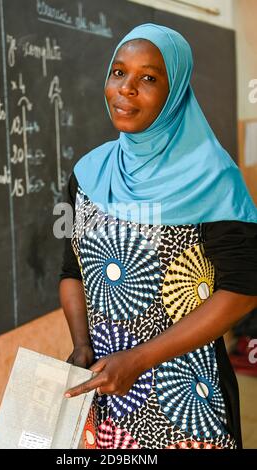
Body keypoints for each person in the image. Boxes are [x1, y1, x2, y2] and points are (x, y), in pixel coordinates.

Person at [58, 23, 257, 449]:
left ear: (176, 90)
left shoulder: (214, 178)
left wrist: (139, 359)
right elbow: (71, 268)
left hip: (186, 395)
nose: (125, 89)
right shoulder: (89, 174)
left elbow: (243, 290)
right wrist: (80, 347)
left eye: (148, 78)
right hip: (108, 390)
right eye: (118, 72)